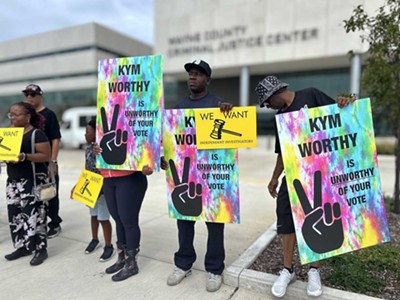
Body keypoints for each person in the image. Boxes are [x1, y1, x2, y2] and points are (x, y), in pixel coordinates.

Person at [255, 75, 355, 298]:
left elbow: (342, 116)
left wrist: (348, 101)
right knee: (286, 221)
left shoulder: (311, 94)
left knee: (316, 218)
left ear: (275, 93)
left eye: (268, 102)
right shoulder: (280, 117)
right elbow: (282, 152)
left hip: (318, 174)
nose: (268, 106)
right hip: (291, 176)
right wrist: (274, 179)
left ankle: (313, 270)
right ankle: (288, 270)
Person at [166, 59, 233, 292]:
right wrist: (166, 158)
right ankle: (183, 264)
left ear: (208, 80)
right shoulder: (177, 109)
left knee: (215, 222)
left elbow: (235, 139)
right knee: (184, 221)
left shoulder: (220, 106)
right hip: (186, 175)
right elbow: (170, 143)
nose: (192, 77)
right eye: (190, 73)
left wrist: (230, 115)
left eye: (198, 73)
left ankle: (215, 269)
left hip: (212, 175)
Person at [93, 117, 155, 282]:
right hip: (108, 177)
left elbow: (147, 146)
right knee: (118, 220)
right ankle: (122, 256)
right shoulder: (104, 123)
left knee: (128, 221)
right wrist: (96, 149)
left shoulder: (134, 122)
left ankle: (132, 263)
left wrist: (148, 164)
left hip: (129, 178)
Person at [4, 102, 51, 266]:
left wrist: (24, 156)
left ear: (28, 116)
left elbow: (46, 155)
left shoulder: (36, 134)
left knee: (36, 215)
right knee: (15, 215)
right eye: (11, 114)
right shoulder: (9, 133)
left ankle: (40, 249)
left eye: (16, 114)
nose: (12, 117)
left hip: (32, 181)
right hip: (13, 181)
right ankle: (22, 246)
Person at [71, 119, 115, 261]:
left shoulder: (103, 149)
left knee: (103, 218)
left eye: (87, 132)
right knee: (93, 215)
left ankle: (109, 246)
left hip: (102, 189)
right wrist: (79, 185)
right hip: (91, 188)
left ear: (97, 134)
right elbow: (86, 168)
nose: (85, 135)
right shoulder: (88, 148)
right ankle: (95, 239)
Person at [23, 84, 63, 238]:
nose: (30, 97)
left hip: (46, 162)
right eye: (27, 94)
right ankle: (39, 222)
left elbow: (55, 139)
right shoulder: (24, 115)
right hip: (29, 162)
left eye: (33, 94)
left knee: (50, 193)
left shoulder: (49, 114)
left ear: (41, 96)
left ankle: (54, 223)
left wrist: (53, 162)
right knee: (34, 195)